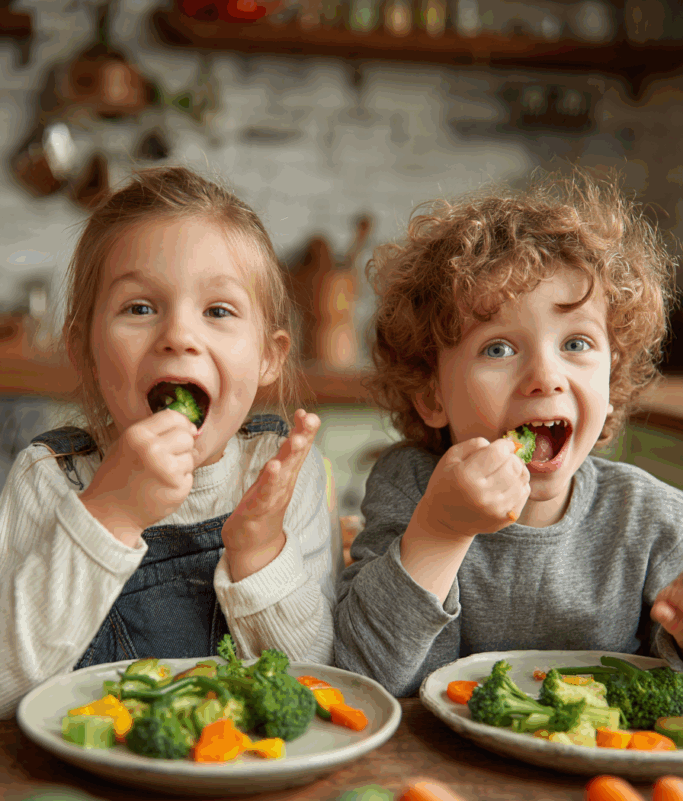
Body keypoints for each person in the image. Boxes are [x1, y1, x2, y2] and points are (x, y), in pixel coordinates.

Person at [0, 166, 335, 718]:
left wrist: (260, 552)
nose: (179, 336)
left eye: (218, 311)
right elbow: (6, 688)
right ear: (84, 350)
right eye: (140, 308)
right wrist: (107, 515)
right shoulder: (49, 477)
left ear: (268, 356)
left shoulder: (281, 473)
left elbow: (316, 686)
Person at [334, 171, 683, 697]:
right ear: (432, 395)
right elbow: (363, 678)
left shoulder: (652, 519)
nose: (546, 376)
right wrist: (441, 531)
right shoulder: (412, 488)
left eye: (576, 344)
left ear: (611, 382)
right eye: (498, 349)